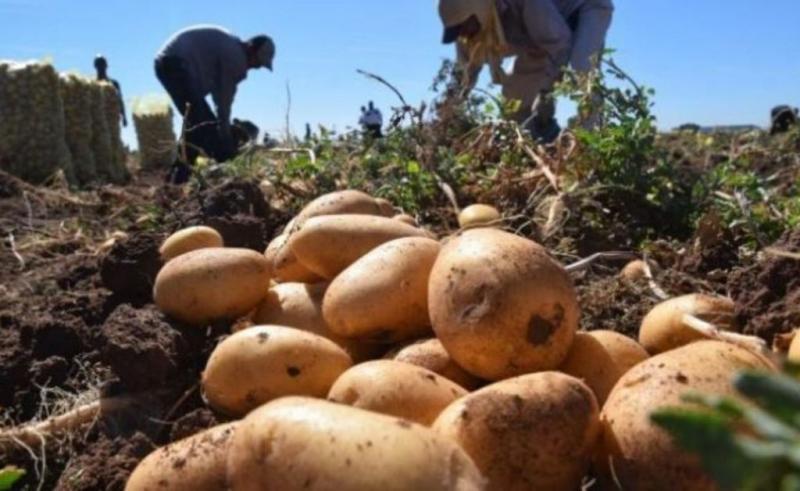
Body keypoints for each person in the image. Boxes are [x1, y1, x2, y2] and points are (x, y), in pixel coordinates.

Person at [438, 0, 614, 143]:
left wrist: (546, 96)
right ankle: (534, 143)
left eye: (464, 26)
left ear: (476, 8)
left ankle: (586, 145)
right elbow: (465, 75)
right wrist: (448, 116)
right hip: (540, 39)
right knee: (513, 98)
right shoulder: (468, 35)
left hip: (583, 9)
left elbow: (560, 44)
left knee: (582, 68)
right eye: (458, 31)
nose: (463, 34)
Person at [155, 25, 274, 182]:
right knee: (204, 124)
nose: (255, 68)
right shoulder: (236, 56)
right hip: (175, 63)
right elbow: (223, 103)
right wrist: (226, 143)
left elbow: (219, 98)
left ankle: (176, 179)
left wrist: (221, 132)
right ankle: (181, 179)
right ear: (251, 49)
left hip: (170, 61)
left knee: (198, 124)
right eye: (257, 63)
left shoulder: (232, 47)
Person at [94, 55, 127, 127]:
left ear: (106, 66)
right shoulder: (92, 84)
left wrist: (124, 117)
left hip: (112, 117)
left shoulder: (114, 83)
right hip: (97, 119)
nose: (101, 67)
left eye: (102, 64)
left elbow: (120, 100)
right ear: (95, 66)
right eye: (99, 65)